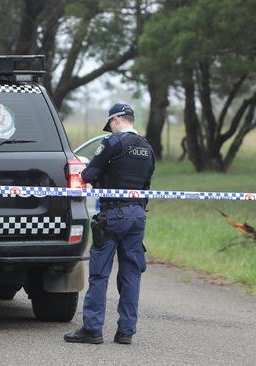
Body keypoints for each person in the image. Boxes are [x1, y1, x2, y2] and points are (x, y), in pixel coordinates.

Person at [64, 103, 155, 345]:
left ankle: (92, 329)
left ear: (115, 120)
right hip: (138, 215)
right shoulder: (147, 147)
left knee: (99, 272)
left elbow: (88, 175)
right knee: (131, 273)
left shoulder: (113, 142)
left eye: (110, 124)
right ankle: (126, 331)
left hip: (113, 215)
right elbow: (147, 183)